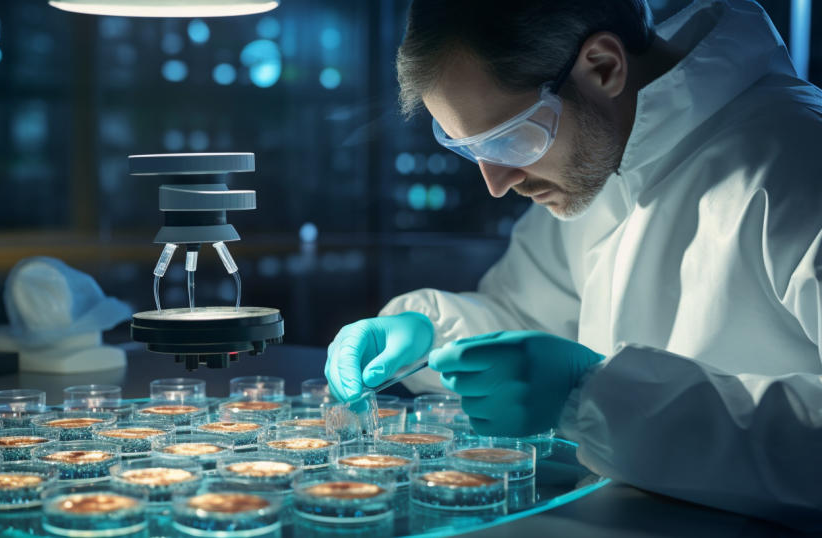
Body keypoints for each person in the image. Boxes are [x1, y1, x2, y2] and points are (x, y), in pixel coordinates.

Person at [324, 0, 822, 528]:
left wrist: (590, 396)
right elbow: (529, 321)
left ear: (604, 66)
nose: (496, 184)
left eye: (509, 137)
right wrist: (433, 331)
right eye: (470, 148)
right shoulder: (601, 161)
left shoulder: (797, 167)